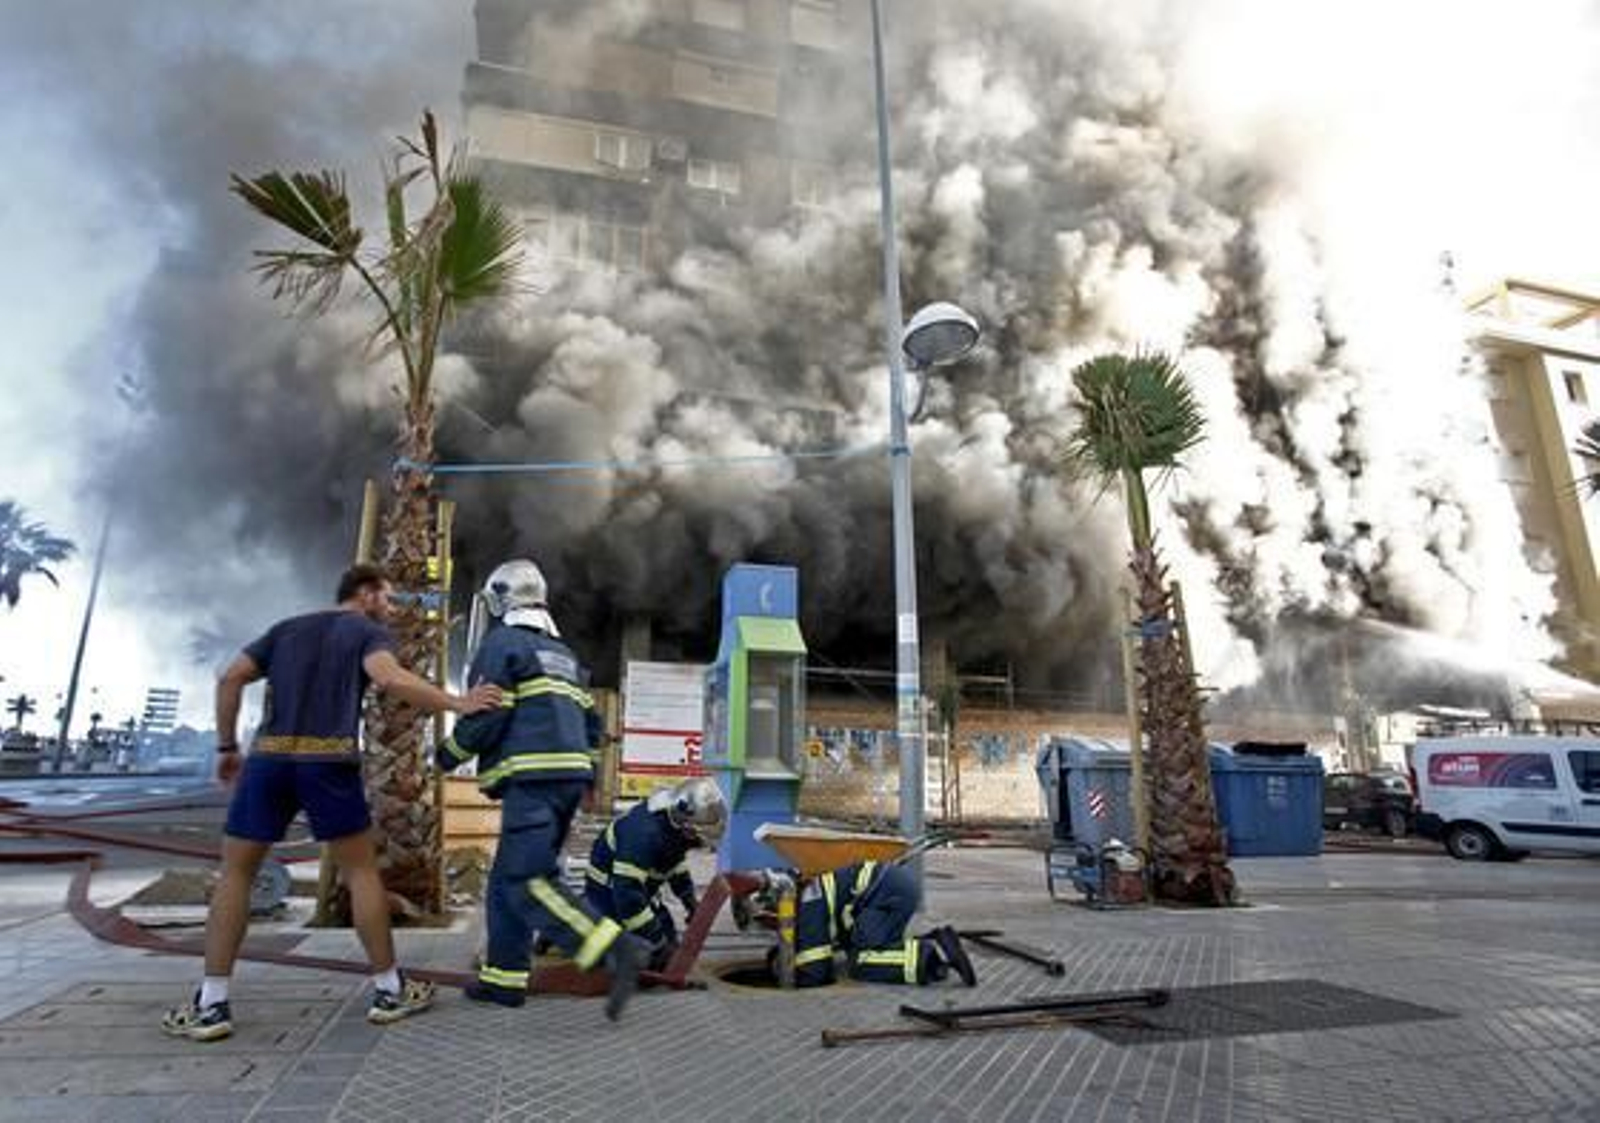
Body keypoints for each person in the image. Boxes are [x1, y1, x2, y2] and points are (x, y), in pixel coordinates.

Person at [162, 563, 502, 1042]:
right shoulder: (365, 632)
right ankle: (389, 990)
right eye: (385, 598)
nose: (390, 608)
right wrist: (458, 703)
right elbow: (389, 679)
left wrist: (225, 749)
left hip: (269, 762)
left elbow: (228, 678)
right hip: (328, 761)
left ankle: (212, 1003)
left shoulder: (285, 630)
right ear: (363, 594)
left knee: (236, 873)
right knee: (361, 873)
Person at [435, 558, 644, 1019]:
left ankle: (613, 947)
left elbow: (487, 712)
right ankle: (503, 979)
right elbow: (591, 722)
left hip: (533, 781)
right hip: (565, 781)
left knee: (527, 881)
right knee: (505, 882)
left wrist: (446, 755)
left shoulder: (502, 644)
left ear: (502, 599)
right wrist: (586, 777)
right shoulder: (564, 656)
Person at [585, 776, 726, 969]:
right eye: (696, 836)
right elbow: (627, 896)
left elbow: (674, 862)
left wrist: (689, 899)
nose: (697, 843)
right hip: (608, 895)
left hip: (640, 890)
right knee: (615, 960)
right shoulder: (643, 835)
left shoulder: (673, 820)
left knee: (670, 952)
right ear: (685, 824)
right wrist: (655, 940)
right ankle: (564, 929)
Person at [789, 859, 976, 988]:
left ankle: (932, 962)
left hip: (885, 894)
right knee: (884, 948)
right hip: (895, 886)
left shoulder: (810, 899)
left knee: (861, 963)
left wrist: (806, 979)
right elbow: (847, 932)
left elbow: (813, 954)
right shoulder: (821, 886)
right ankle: (937, 943)